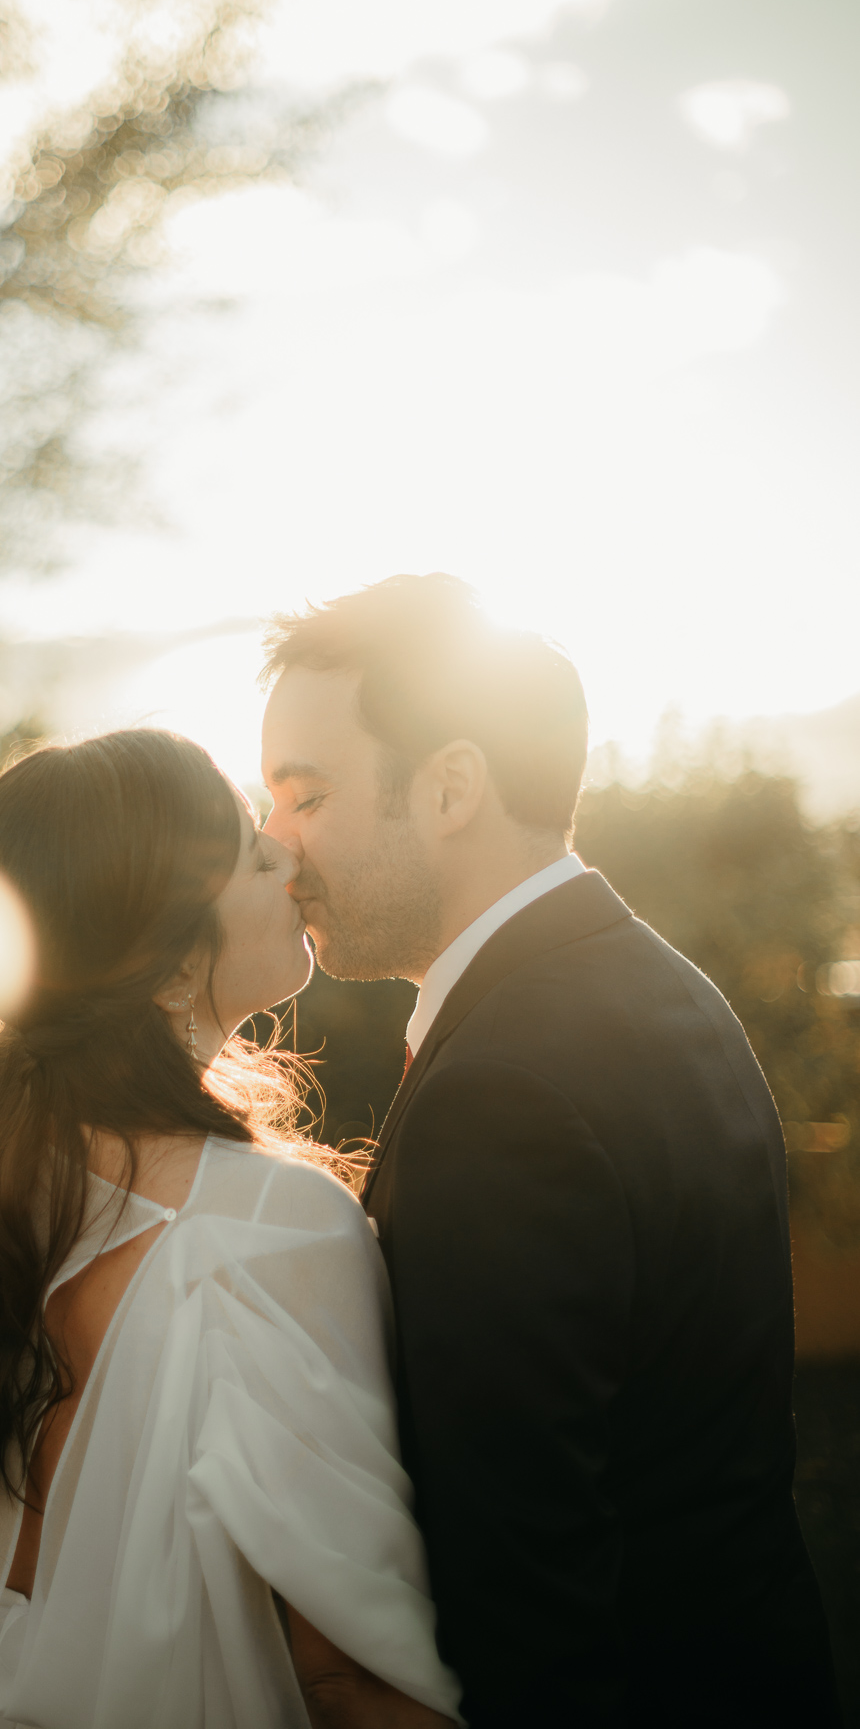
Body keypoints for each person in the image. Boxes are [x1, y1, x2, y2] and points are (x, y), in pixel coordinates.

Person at [0, 730, 461, 1729]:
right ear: (166, 945)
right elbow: (351, 1673)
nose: (289, 855)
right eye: (256, 853)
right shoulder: (278, 1228)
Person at [260, 573, 842, 1729]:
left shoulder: (505, 1093)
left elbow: (521, 1577)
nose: (277, 849)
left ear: (452, 787)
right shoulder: (663, 990)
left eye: (307, 796)